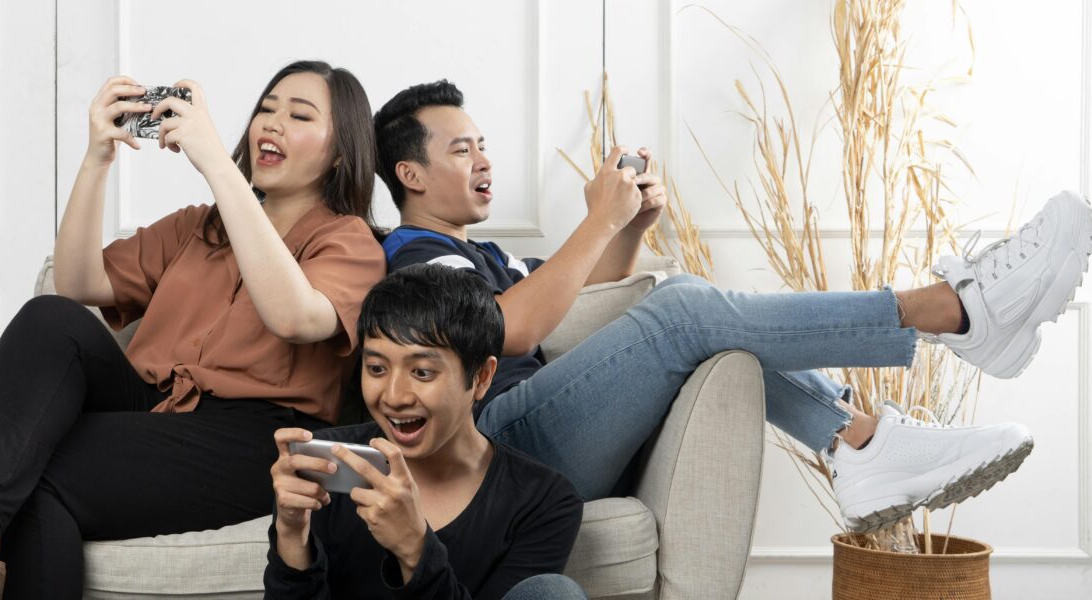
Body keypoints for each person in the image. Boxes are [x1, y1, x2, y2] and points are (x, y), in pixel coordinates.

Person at [372, 79, 1092, 532]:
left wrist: (628, 229)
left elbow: (581, 310)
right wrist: (596, 219)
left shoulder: (490, 259)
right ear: (410, 173)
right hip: (493, 447)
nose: (485, 162)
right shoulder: (414, 258)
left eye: (484, 146)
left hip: (541, 435)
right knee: (687, 308)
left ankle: (858, 443)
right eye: (463, 150)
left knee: (697, 317)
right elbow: (515, 327)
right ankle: (953, 311)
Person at [0, 60, 385, 599]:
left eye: (299, 115)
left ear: (340, 151)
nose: (271, 123)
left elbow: (293, 317)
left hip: (252, 439)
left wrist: (218, 165)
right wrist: (96, 158)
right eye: (265, 109)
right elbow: (77, 285)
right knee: (49, 318)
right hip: (148, 411)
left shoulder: (350, 243)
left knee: (28, 476)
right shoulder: (198, 227)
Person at [265, 264, 587, 600]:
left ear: (481, 377)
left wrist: (415, 550)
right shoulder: (326, 463)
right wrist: (290, 535)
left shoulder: (544, 500)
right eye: (376, 368)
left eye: (421, 372)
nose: (393, 396)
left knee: (553, 593)